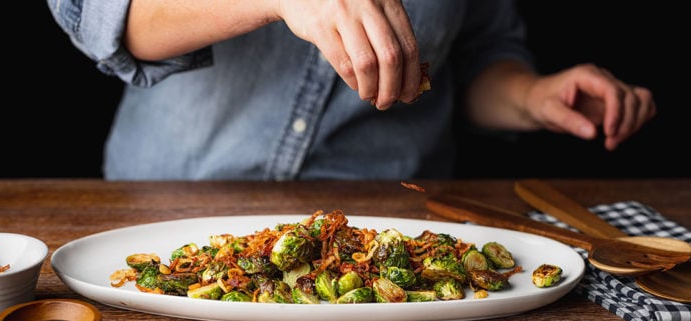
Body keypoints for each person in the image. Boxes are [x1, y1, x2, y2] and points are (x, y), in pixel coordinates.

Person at [46, 0, 656, 180]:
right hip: (170, 211)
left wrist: (532, 97)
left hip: (386, 230)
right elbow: (102, 18)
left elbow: (477, 55)